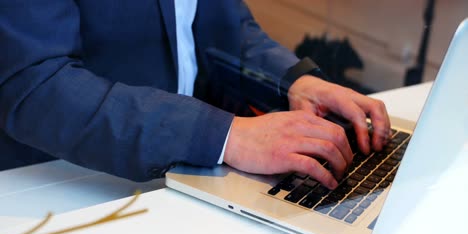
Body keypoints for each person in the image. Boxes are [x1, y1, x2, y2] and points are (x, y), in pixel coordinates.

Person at [0, 0, 390, 190]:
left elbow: (219, 26)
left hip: (185, 174)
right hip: (60, 187)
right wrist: (222, 135)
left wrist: (294, 83)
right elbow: (37, 85)